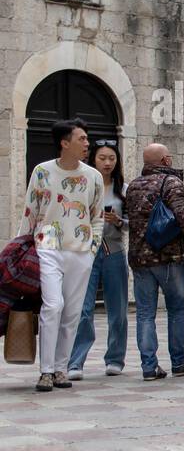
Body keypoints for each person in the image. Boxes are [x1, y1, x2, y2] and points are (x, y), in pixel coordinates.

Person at [24, 119, 104, 391]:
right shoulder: (42, 171)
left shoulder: (93, 176)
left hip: (80, 252)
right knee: (53, 305)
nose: (87, 143)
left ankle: (61, 369)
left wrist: (92, 249)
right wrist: (22, 247)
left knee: (72, 312)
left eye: (86, 138)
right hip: (47, 247)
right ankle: (45, 371)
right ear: (64, 142)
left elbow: (98, 216)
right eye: (81, 138)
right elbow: (29, 211)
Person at [122, 143, 184, 380]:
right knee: (176, 309)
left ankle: (149, 367)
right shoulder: (171, 182)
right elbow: (182, 215)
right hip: (169, 257)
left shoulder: (132, 186)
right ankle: (178, 362)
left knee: (145, 314)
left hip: (140, 258)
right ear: (165, 161)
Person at [67, 138, 127, 380]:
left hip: (114, 251)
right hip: (87, 252)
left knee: (118, 309)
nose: (107, 163)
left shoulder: (124, 189)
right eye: (102, 158)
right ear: (93, 159)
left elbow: (134, 223)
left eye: (112, 158)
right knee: (83, 308)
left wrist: (119, 221)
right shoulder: (82, 185)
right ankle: (75, 362)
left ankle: (115, 359)